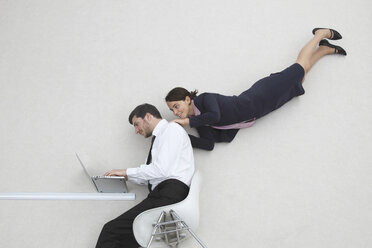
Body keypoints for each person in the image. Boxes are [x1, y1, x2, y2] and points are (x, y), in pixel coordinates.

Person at [165, 28, 347, 150]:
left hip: (261, 94)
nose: (175, 111)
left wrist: (187, 123)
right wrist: (180, 136)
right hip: (263, 109)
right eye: (172, 109)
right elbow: (208, 144)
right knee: (300, 78)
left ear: (187, 99)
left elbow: (215, 116)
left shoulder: (204, 99)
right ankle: (323, 50)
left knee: (299, 67)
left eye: (175, 105)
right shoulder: (198, 120)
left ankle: (319, 34)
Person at [95, 103, 195, 248]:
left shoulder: (171, 130)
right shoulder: (160, 137)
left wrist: (126, 171)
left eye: (137, 124)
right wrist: (125, 177)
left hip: (169, 194)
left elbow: (161, 170)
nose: (136, 130)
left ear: (148, 116)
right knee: (128, 240)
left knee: (110, 230)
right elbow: (153, 174)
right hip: (165, 193)